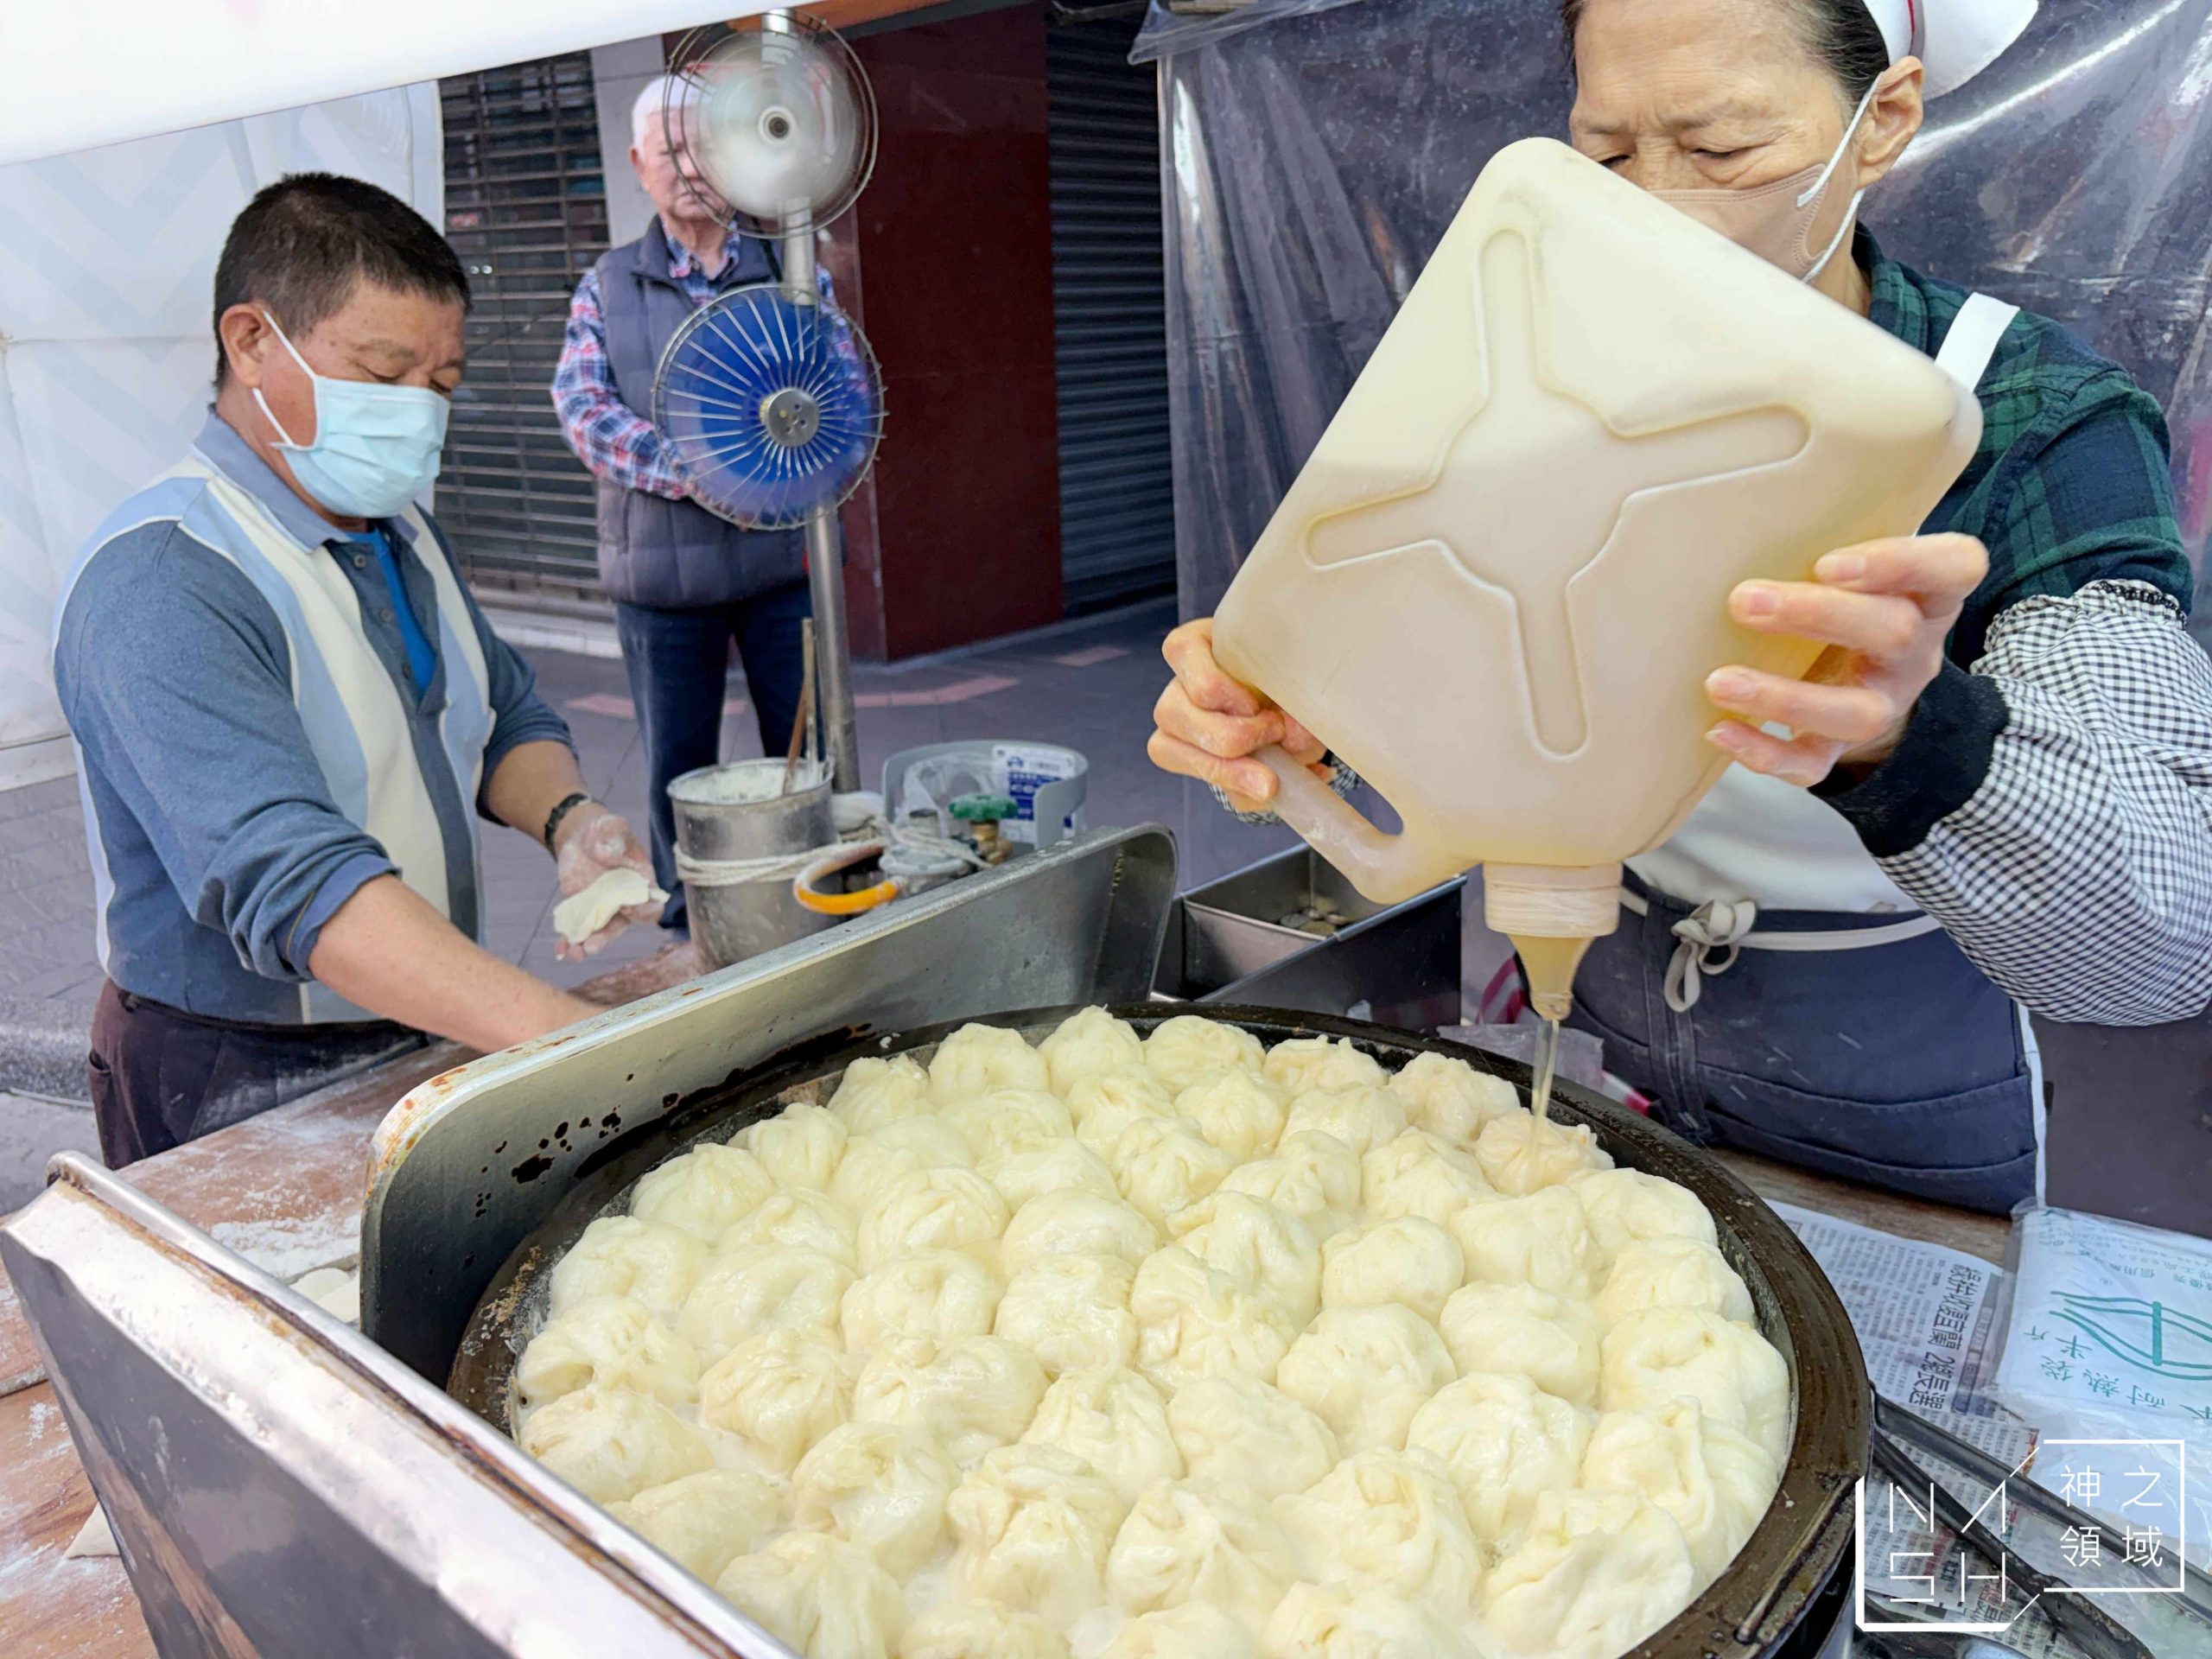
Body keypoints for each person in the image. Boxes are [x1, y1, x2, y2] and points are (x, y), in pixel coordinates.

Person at [1147, 0, 2212, 1214]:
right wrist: (1308, 716)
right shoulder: (1525, 377)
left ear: (1885, 123)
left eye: (1718, 153)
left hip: (1896, 1079)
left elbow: (2165, 929)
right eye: (1605, 155)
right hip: (1607, 1012)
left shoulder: (2031, 416)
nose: (1646, 208)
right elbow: (1483, 657)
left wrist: (1910, 737)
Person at [54, 174, 662, 1167]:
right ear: (252, 342)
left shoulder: (396, 528)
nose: (419, 416)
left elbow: (500, 712)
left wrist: (572, 822)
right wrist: (574, 1041)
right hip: (235, 1069)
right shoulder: (164, 582)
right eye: (383, 377)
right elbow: (294, 879)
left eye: (443, 384)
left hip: (415, 1014)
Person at [553, 74, 814, 938]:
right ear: (638, 164)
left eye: (703, 146)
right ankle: (689, 910)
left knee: (803, 744)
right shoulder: (608, 282)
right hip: (660, 576)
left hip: (778, 564)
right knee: (677, 757)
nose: (688, 166)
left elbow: (831, 384)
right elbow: (585, 411)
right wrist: (704, 471)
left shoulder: (787, 269)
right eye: (669, 149)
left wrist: (772, 459)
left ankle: (814, 876)